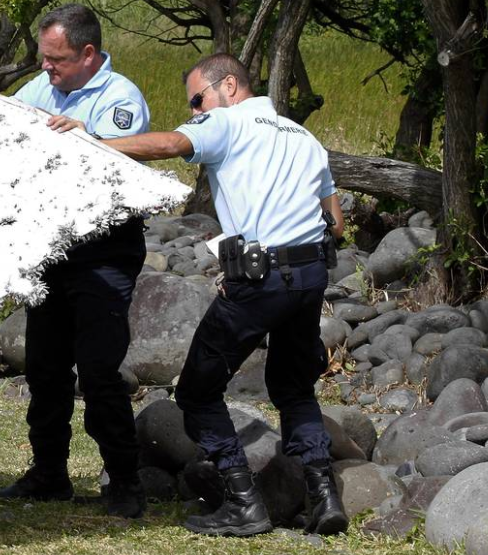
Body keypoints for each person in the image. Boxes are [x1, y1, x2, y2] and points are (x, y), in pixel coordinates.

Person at [86, 52, 347, 537]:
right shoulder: (304, 137)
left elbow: (170, 143)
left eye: (197, 100)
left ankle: (244, 502)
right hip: (311, 274)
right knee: (294, 389)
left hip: (262, 278)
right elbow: (337, 223)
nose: (194, 111)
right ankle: (324, 496)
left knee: (197, 391)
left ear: (228, 85)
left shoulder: (227, 122)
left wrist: (92, 142)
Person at [0, 3, 151, 519]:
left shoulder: (120, 98)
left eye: (56, 59)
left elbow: (117, 159)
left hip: (103, 251)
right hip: (52, 246)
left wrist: (86, 138)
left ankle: (124, 480)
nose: (46, 67)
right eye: (43, 57)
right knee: (45, 367)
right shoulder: (40, 89)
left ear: (87, 54)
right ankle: (49, 473)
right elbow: (3, 129)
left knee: (100, 370)